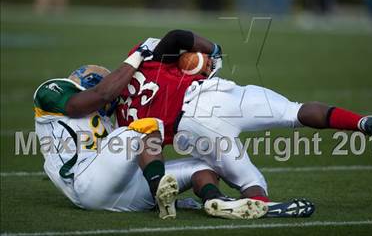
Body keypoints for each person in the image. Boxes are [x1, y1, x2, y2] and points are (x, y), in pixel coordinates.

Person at [116, 29, 372, 216]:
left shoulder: (120, 115)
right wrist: (214, 48)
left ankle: (252, 203)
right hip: (209, 97)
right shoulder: (145, 58)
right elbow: (178, 36)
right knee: (294, 112)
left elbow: (147, 144)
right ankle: (361, 122)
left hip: (188, 130)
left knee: (248, 180)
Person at [33, 43, 268, 219]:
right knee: (148, 124)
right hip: (84, 180)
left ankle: (216, 201)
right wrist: (136, 58)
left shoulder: (107, 122)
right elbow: (98, 96)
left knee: (202, 166)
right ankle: (160, 192)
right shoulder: (52, 92)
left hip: (120, 192)